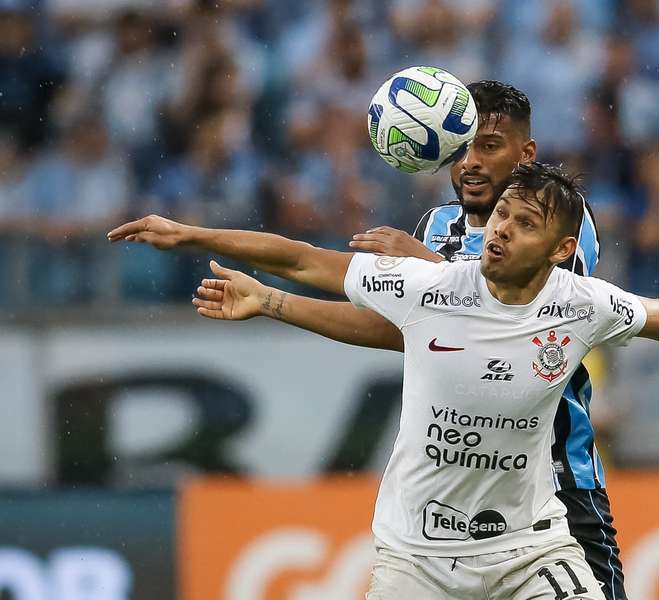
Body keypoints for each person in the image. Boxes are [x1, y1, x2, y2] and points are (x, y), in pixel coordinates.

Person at [114, 161, 659, 599]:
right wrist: (192, 234)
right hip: (416, 556)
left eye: (524, 225)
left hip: (527, 547)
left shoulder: (580, 304)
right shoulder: (432, 286)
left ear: (562, 251)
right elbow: (303, 259)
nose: (499, 232)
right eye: (501, 215)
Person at [111, 80, 632, 598]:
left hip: (555, 485)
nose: (470, 162)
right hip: (447, 505)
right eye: (461, 146)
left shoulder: (562, 219)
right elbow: (400, 330)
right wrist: (273, 301)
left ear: (526, 154)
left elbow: (525, 313)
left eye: (489, 146)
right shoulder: (439, 227)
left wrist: (422, 263)